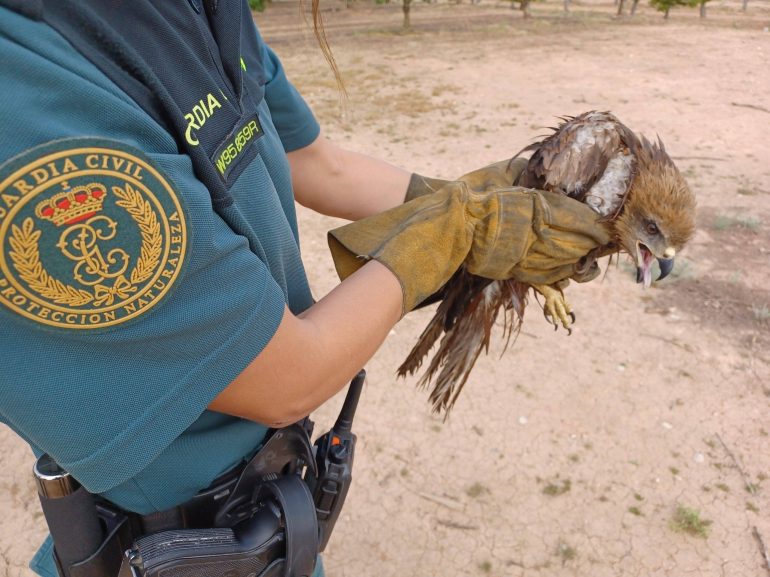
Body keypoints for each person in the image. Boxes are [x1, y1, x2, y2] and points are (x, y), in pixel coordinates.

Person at [0, 2, 606, 576]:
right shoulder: (27, 73)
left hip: (271, 511)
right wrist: (456, 231)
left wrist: (479, 207)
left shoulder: (204, 9)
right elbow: (284, 376)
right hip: (172, 547)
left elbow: (319, 164)